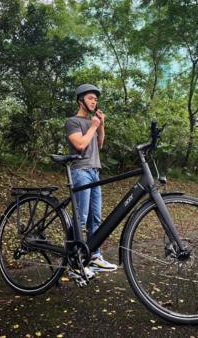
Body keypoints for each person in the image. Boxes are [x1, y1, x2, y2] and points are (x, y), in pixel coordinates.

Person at [65, 84, 118, 277]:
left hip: (95, 172)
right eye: (90, 98)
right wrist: (94, 126)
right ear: (80, 101)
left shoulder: (92, 122)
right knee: (81, 218)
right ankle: (75, 263)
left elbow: (99, 144)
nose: (94, 101)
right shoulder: (72, 122)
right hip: (81, 171)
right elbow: (80, 144)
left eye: (95, 99)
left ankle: (95, 256)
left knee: (95, 218)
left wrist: (100, 125)